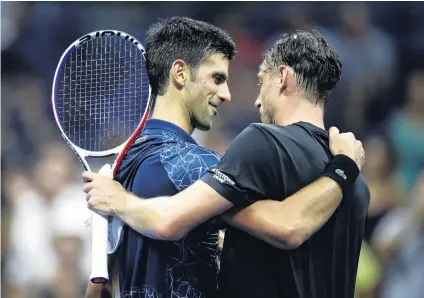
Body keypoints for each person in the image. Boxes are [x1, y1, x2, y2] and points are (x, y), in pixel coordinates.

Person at [84, 25, 368, 298]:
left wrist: (119, 201)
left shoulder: (123, 168)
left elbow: (99, 287)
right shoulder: (358, 186)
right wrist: (343, 167)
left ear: (283, 77)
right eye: (217, 78)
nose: (231, 95)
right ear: (180, 73)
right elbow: (285, 229)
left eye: (259, 82)